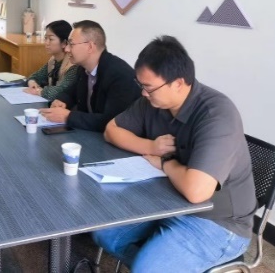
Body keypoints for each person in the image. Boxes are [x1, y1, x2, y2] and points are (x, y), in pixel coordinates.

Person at [93, 36, 256, 272]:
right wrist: (151, 147)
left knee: (146, 268)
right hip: (166, 200)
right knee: (104, 234)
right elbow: (111, 130)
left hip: (216, 221)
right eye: (141, 85)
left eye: (149, 87)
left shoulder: (217, 115)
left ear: (178, 83)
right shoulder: (153, 102)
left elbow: (196, 192)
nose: (143, 93)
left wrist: (165, 162)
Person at [40, 20, 141, 132]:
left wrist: (68, 116)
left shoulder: (120, 75)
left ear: (90, 47)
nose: (67, 49)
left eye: (71, 44)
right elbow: (71, 92)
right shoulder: (83, 68)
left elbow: (112, 122)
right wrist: (61, 101)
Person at [23, 20, 78, 102]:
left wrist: (38, 91)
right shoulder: (53, 60)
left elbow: (62, 92)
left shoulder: (73, 64)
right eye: (45, 38)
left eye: (51, 39)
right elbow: (36, 76)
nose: (46, 43)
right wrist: (32, 83)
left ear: (64, 43)